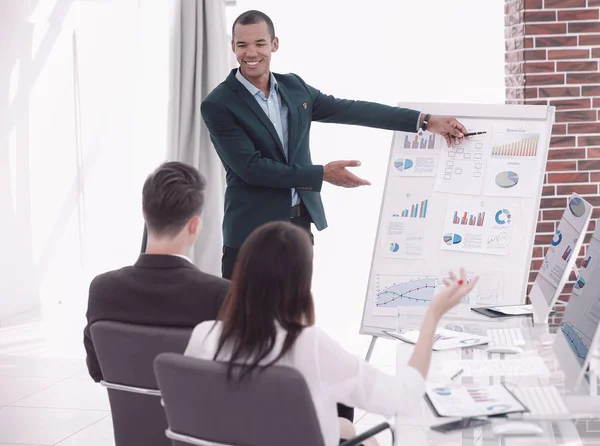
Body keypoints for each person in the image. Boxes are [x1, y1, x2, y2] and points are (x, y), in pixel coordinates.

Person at [200, 9, 469, 281]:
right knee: (243, 322)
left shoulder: (295, 88)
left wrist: (424, 121)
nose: (251, 53)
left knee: (295, 320)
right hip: (250, 234)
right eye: (242, 45)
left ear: (274, 44)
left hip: (298, 228)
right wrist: (322, 174)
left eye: (259, 43)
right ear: (233, 46)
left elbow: (353, 110)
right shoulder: (219, 104)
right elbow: (251, 168)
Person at [184, 222, 478, 446]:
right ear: (301, 283)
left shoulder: (204, 336)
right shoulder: (307, 345)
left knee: (346, 427)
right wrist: (433, 316)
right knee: (367, 438)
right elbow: (402, 398)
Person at [83, 161, 230, 382]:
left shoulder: (102, 288)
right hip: (195, 414)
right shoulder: (219, 293)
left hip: (131, 415)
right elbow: (230, 377)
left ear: (144, 214)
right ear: (195, 225)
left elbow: (99, 371)